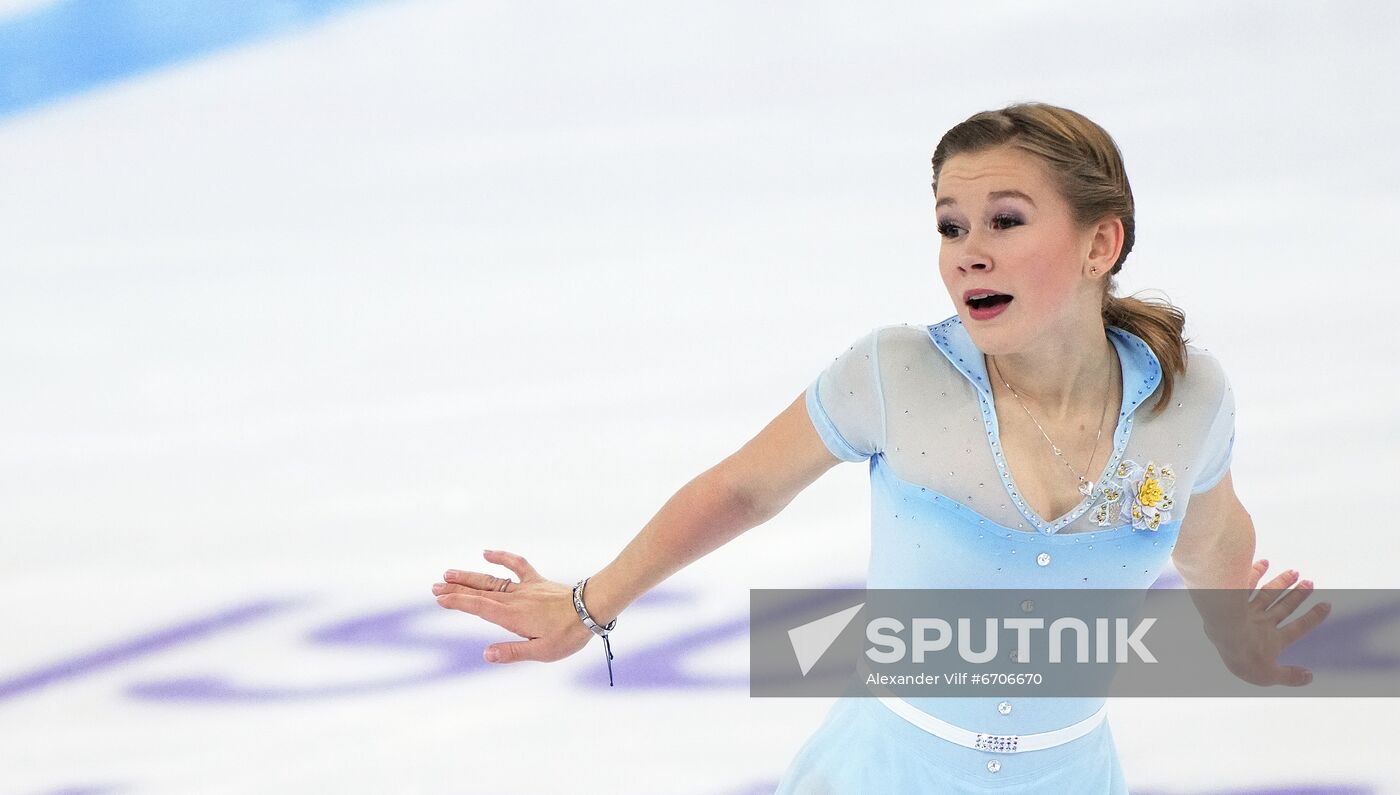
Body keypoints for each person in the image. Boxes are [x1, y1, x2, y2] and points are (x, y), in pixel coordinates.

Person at [431, 102, 1328, 792]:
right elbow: (742, 489)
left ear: (1102, 241)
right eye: (950, 225)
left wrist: (1234, 634)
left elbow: (1212, 540)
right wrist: (588, 604)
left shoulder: (1186, 396)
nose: (968, 253)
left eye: (1006, 221)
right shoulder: (899, 375)